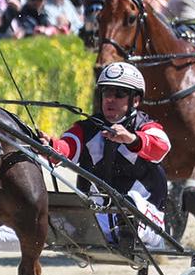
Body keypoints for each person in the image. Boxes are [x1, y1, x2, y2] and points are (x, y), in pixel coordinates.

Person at [49, 62, 171, 257]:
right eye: (107, 93)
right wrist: (49, 146)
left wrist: (132, 139)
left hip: (147, 221)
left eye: (119, 94)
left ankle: (125, 231)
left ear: (136, 100)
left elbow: (162, 147)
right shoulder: (88, 128)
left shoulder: (146, 126)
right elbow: (66, 148)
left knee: (128, 203)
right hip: (100, 221)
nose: (110, 100)